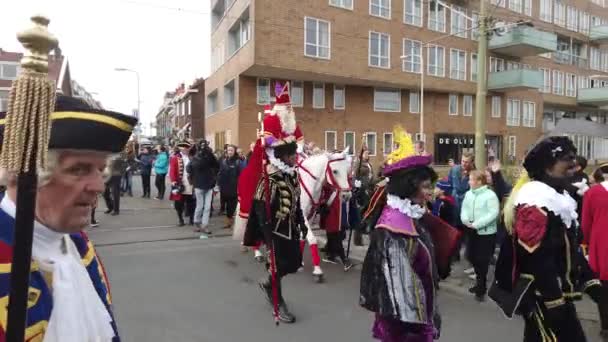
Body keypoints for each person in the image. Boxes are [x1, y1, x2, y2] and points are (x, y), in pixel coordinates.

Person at [0, 95, 136, 340]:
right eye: (78, 169)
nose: (98, 186)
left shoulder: (77, 243)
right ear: (24, 174)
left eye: (100, 169)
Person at [494, 136, 601, 342]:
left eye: (574, 158)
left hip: (557, 295)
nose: (574, 164)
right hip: (540, 297)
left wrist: (592, 283)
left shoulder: (560, 201)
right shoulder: (534, 203)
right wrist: (554, 301)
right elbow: (537, 260)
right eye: (566, 159)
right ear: (547, 167)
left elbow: (570, 250)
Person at [359, 132, 442, 341]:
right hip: (405, 330)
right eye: (425, 187)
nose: (430, 192)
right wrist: (423, 333)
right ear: (408, 188)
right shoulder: (393, 231)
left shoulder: (413, 215)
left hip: (423, 315)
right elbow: (403, 299)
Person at [460, 170, 500, 301]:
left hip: (486, 232)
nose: (469, 182)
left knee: (482, 259)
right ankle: (479, 281)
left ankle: (481, 286)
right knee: (471, 256)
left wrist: (477, 224)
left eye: (471, 180)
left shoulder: (490, 195)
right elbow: (464, 209)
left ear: (479, 182)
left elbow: (493, 213)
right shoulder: (468, 194)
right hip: (471, 230)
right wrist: (465, 220)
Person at [581, 163, 608, 340]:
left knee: (604, 287)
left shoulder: (593, 192)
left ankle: (606, 325)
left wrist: (586, 244)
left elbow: (586, 224)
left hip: (602, 244)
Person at [319, 183, 354, 271]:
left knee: (334, 236)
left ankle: (330, 255)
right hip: (332, 214)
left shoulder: (342, 185)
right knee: (336, 237)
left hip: (339, 215)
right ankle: (344, 260)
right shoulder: (329, 186)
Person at [188, 140, 219, 234]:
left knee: (207, 207)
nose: (203, 147)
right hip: (199, 185)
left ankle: (204, 225)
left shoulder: (210, 156)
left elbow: (217, 166)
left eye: (204, 145)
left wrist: (213, 175)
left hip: (209, 184)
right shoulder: (196, 157)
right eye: (201, 145)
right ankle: (197, 223)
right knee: (200, 206)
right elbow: (189, 169)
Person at [169, 142, 195, 226]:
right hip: (179, 183)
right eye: (184, 148)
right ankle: (180, 219)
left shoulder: (192, 158)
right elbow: (172, 171)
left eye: (187, 148)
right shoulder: (175, 158)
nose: (186, 149)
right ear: (181, 149)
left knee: (191, 202)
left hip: (190, 184)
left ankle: (191, 219)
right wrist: (173, 181)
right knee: (178, 203)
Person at [218, 145, 242, 229]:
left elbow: (241, 175)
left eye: (231, 150)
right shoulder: (224, 161)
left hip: (234, 188)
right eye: (228, 150)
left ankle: (231, 223)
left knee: (232, 207)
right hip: (225, 188)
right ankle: (229, 223)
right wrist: (219, 184)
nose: (230, 152)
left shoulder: (238, 162)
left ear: (234, 151)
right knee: (227, 207)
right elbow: (220, 173)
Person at [353, 148, 374, 246]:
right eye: (366, 154)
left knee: (369, 214)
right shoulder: (358, 164)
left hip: (369, 191)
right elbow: (355, 177)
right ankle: (358, 239)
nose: (368, 155)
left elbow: (371, 177)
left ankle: (370, 235)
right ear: (361, 155)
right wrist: (356, 185)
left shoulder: (369, 165)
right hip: (361, 192)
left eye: (368, 154)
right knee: (360, 215)